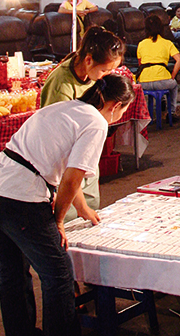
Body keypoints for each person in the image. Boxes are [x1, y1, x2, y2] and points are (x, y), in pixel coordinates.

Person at [0, 74, 134, 336]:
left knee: (12, 273)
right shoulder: (96, 122)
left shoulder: (64, 107)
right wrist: (59, 220)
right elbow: (72, 178)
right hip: (22, 199)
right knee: (59, 275)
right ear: (117, 105)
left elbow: (63, 171)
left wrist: (83, 209)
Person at [40, 26, 125, 222]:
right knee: (69, 221)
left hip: (83, 161)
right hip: (64, 166)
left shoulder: (91, 75)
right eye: (105, 70)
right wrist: (80, 208)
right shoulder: (61, 85)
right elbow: (62, 157)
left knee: (90, 212)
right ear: (88, 60)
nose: (106, 75)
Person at [137, 15, 180, 108]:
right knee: (173, 86)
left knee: (150, 87)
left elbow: (140, 64)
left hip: (144, 83)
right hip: (163, 81)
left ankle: (150, 110)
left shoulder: (141, 44)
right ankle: (172, 111)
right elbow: (179, 60)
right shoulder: (167, 43)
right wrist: (173, 75)